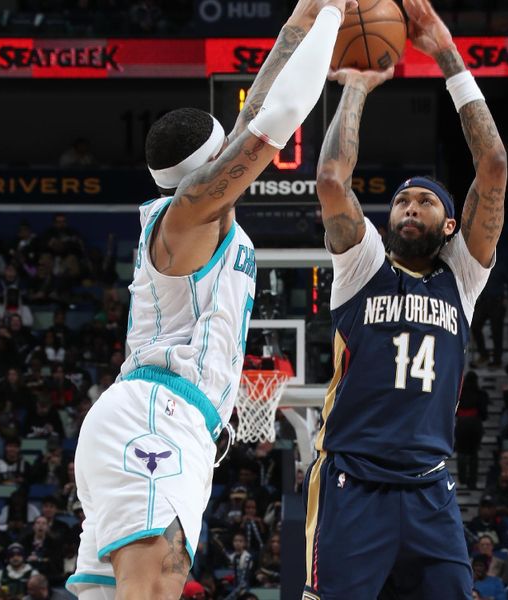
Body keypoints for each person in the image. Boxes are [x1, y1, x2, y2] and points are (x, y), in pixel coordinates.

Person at [65, 1, 355, 598]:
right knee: (157, 584)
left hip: (172, 424)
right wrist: (332, 18)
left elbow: (265, 94)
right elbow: (282, 111)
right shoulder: (192, 213)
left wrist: (302, 16)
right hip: (155, 415)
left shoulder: (197, 211)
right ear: (213, 162)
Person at [305, 0, 507, 597]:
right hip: (352, 484)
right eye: (401, 201)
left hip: (430, 490)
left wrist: (445, 51)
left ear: (451, 226)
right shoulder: (363, 265)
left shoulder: (462, 277)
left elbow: (493, 164)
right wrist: (359, 86)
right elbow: (331, 183)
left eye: (425, 201)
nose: (410, 207)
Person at [455, 371, 488, 489]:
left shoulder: (458, 394)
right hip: (475, 424)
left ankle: (462, 479)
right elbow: (484, 414)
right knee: (473, 453)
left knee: (461, 452)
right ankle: (472, 481)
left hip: (461, 423)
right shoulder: (481, 394)